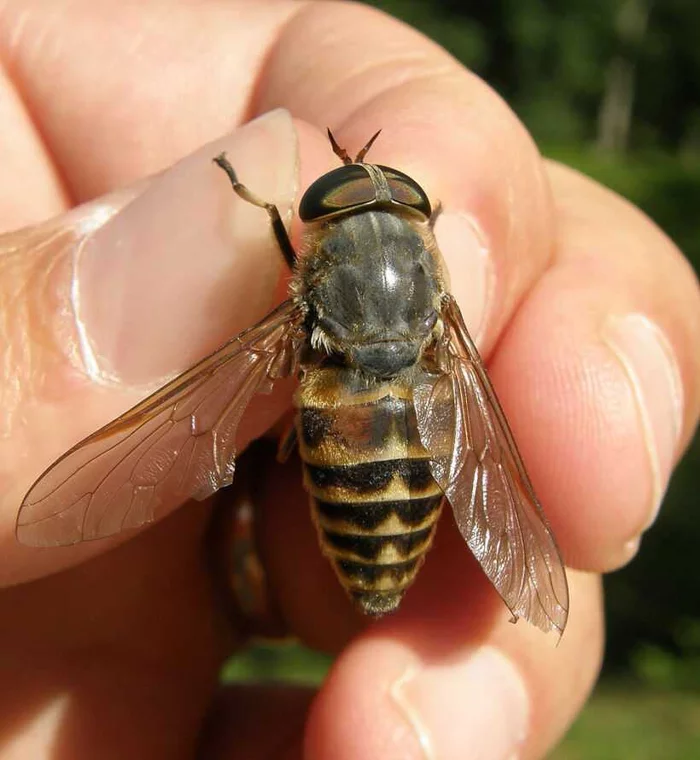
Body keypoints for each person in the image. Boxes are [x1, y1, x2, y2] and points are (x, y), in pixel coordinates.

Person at [0, 2, 697, 758]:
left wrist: (266, 211)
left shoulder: (302, 280)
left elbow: (199, 397)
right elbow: (487, 450)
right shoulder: (447, 317)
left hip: (343, 460)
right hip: (393, 464)